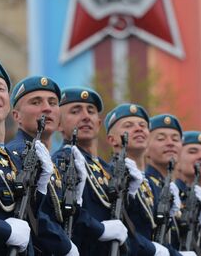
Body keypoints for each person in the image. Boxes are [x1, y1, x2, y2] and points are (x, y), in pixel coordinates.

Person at [6, 75, 81, 255]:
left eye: (53, 103)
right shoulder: (15, 154)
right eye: (36, 102)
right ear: (17, 116)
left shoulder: (51, 160)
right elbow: (31, 212)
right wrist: (64, 244)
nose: (47, 108)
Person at [52, 87, 128, 255]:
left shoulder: (107, 169)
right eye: (75, 111)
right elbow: (62, 212)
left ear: (99, 123)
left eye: (91, 111)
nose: (85, 116)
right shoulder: (62, 161)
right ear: (59, 124)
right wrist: (99, 228)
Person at [105, 103, 169, 256]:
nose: (139, 128)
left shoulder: (152, 184)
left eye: (143, 125)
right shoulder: (109, 175)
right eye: (129, 125)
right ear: (112, 139)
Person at [146, 114, 189, 255]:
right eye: (161, 138)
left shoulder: (173, 190)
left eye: (175, 139)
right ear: (146, 147)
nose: (170, 143)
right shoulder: (145, 185)